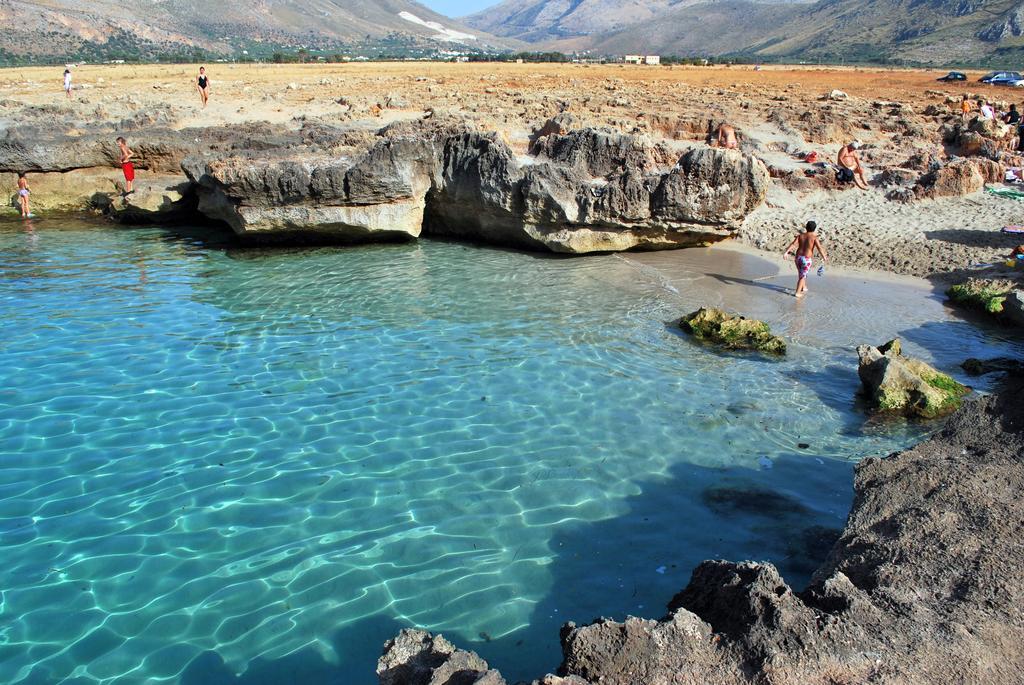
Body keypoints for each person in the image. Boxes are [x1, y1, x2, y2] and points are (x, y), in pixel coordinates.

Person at [783, 221, 828, 297]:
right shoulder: (814, 238)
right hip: (806, 259)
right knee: (802, 276)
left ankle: (803, 287)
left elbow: (793, 244)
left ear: (806, 227)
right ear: (814, 229)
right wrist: (824, 256)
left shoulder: (801, 236)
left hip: (798, 258)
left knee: (801, 273)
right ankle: (797, 292)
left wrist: (786, 252)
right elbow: (819, 248)